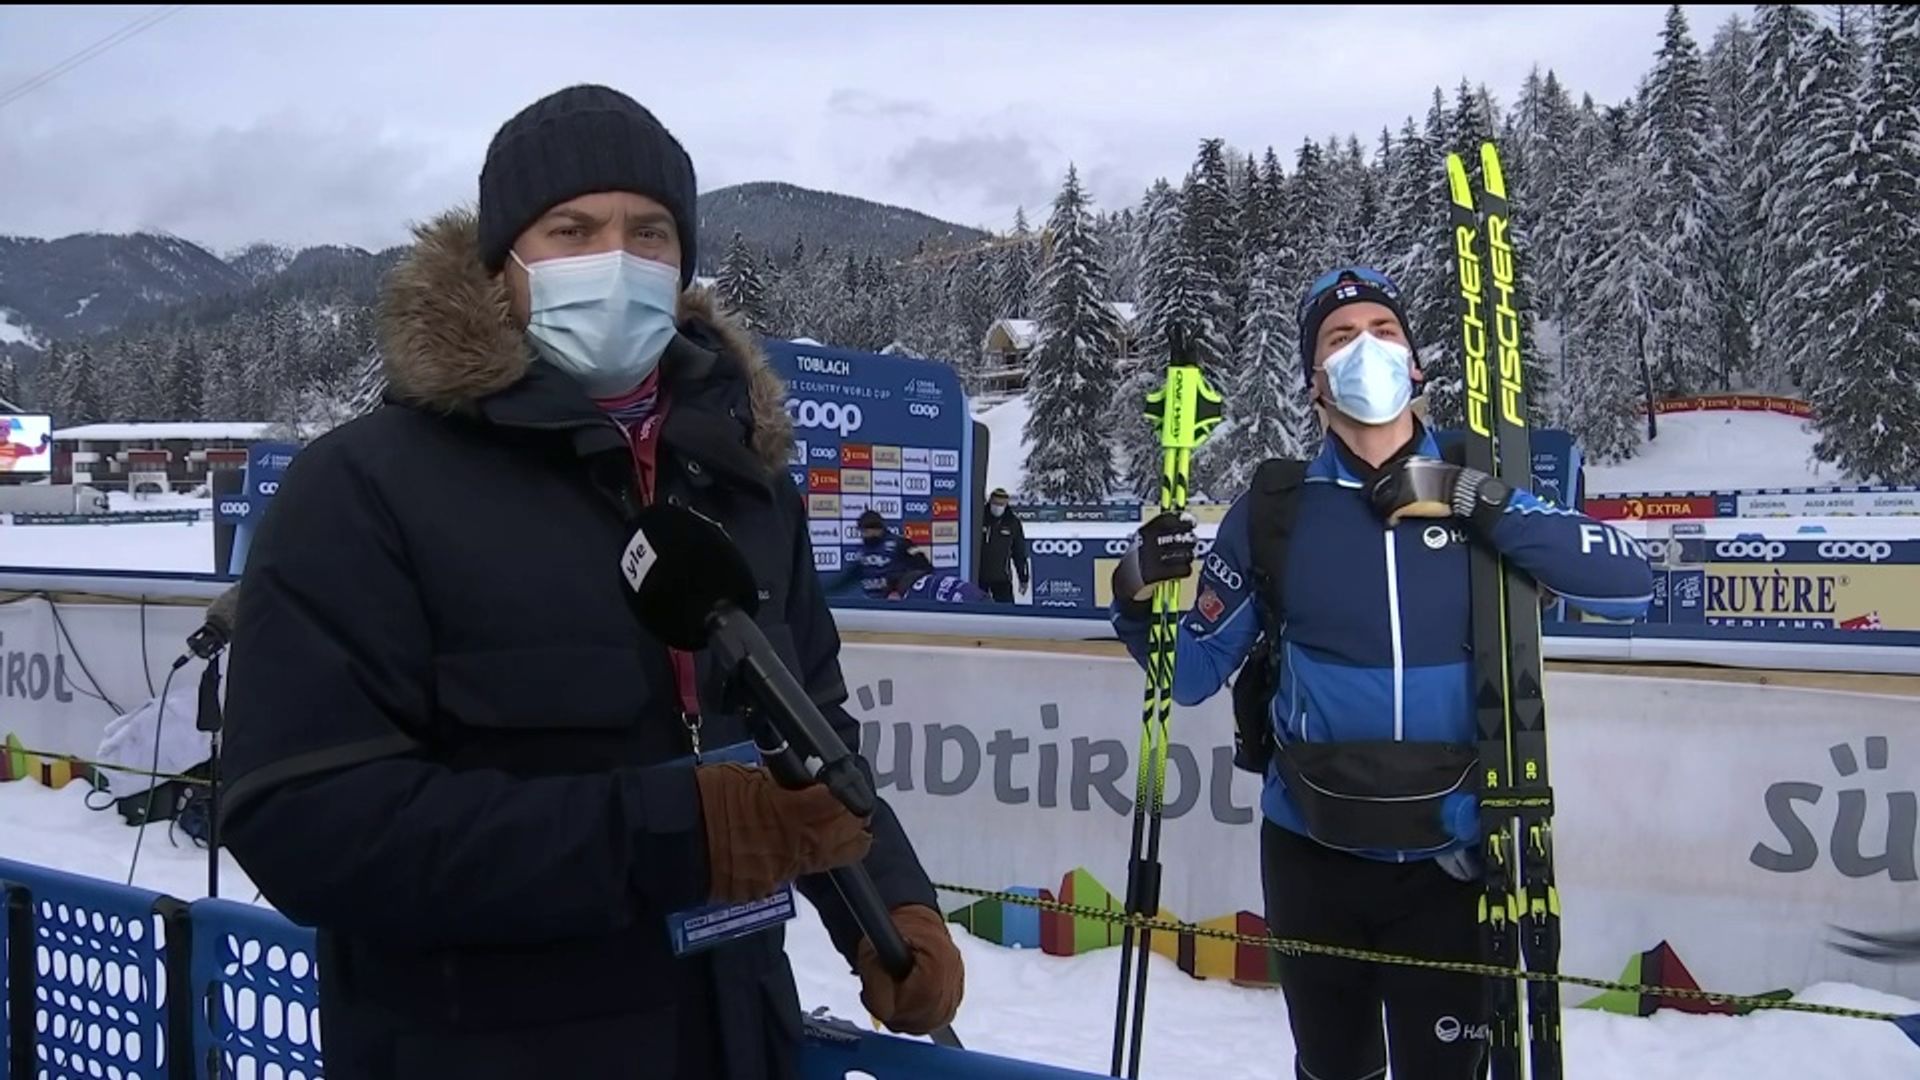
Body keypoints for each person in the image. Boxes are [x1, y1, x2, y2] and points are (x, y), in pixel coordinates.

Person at [218, 85, 962, 1080]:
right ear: (503, 263)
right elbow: (307, 821)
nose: (617, 259)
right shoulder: (363, 488)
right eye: (572, 230)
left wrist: (890, 902)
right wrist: (681, 835)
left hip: (738, 1040)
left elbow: (812, 728)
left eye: (649, 232)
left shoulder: (746, 486)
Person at [1107, 267, 1653, 1080]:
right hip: (1313, 857)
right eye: (1340, 338)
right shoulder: (1277, 508)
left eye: (1384, 331)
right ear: (1314, 381)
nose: (1366, 348)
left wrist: (1464, 495)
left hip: (1454, 860)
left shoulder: (1481, 479)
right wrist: (1132, 592)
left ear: (1415, 364)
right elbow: (1187, 674)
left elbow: (1629, 584)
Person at [825, 509, 935, 600]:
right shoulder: (862, 551)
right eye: (865, 530)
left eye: (873, 529)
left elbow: (925, 567)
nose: (869, 533)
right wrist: (827, 591)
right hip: (872, 601)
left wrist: (901, 589)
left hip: (898, 602)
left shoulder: (901, 544)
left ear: (881, 528)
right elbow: (849, 577)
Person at [977, 488, 1030, 602]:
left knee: (1006, 610)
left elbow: (1019, 552)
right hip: (978, 578)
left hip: (1002, 578)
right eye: (995, 503)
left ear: (1006, 504)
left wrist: (1023, 578)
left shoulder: (1012, 522)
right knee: (978, 610)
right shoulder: (979, 517)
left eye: (1001, 504)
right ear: (990, 501)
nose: (998, 507)